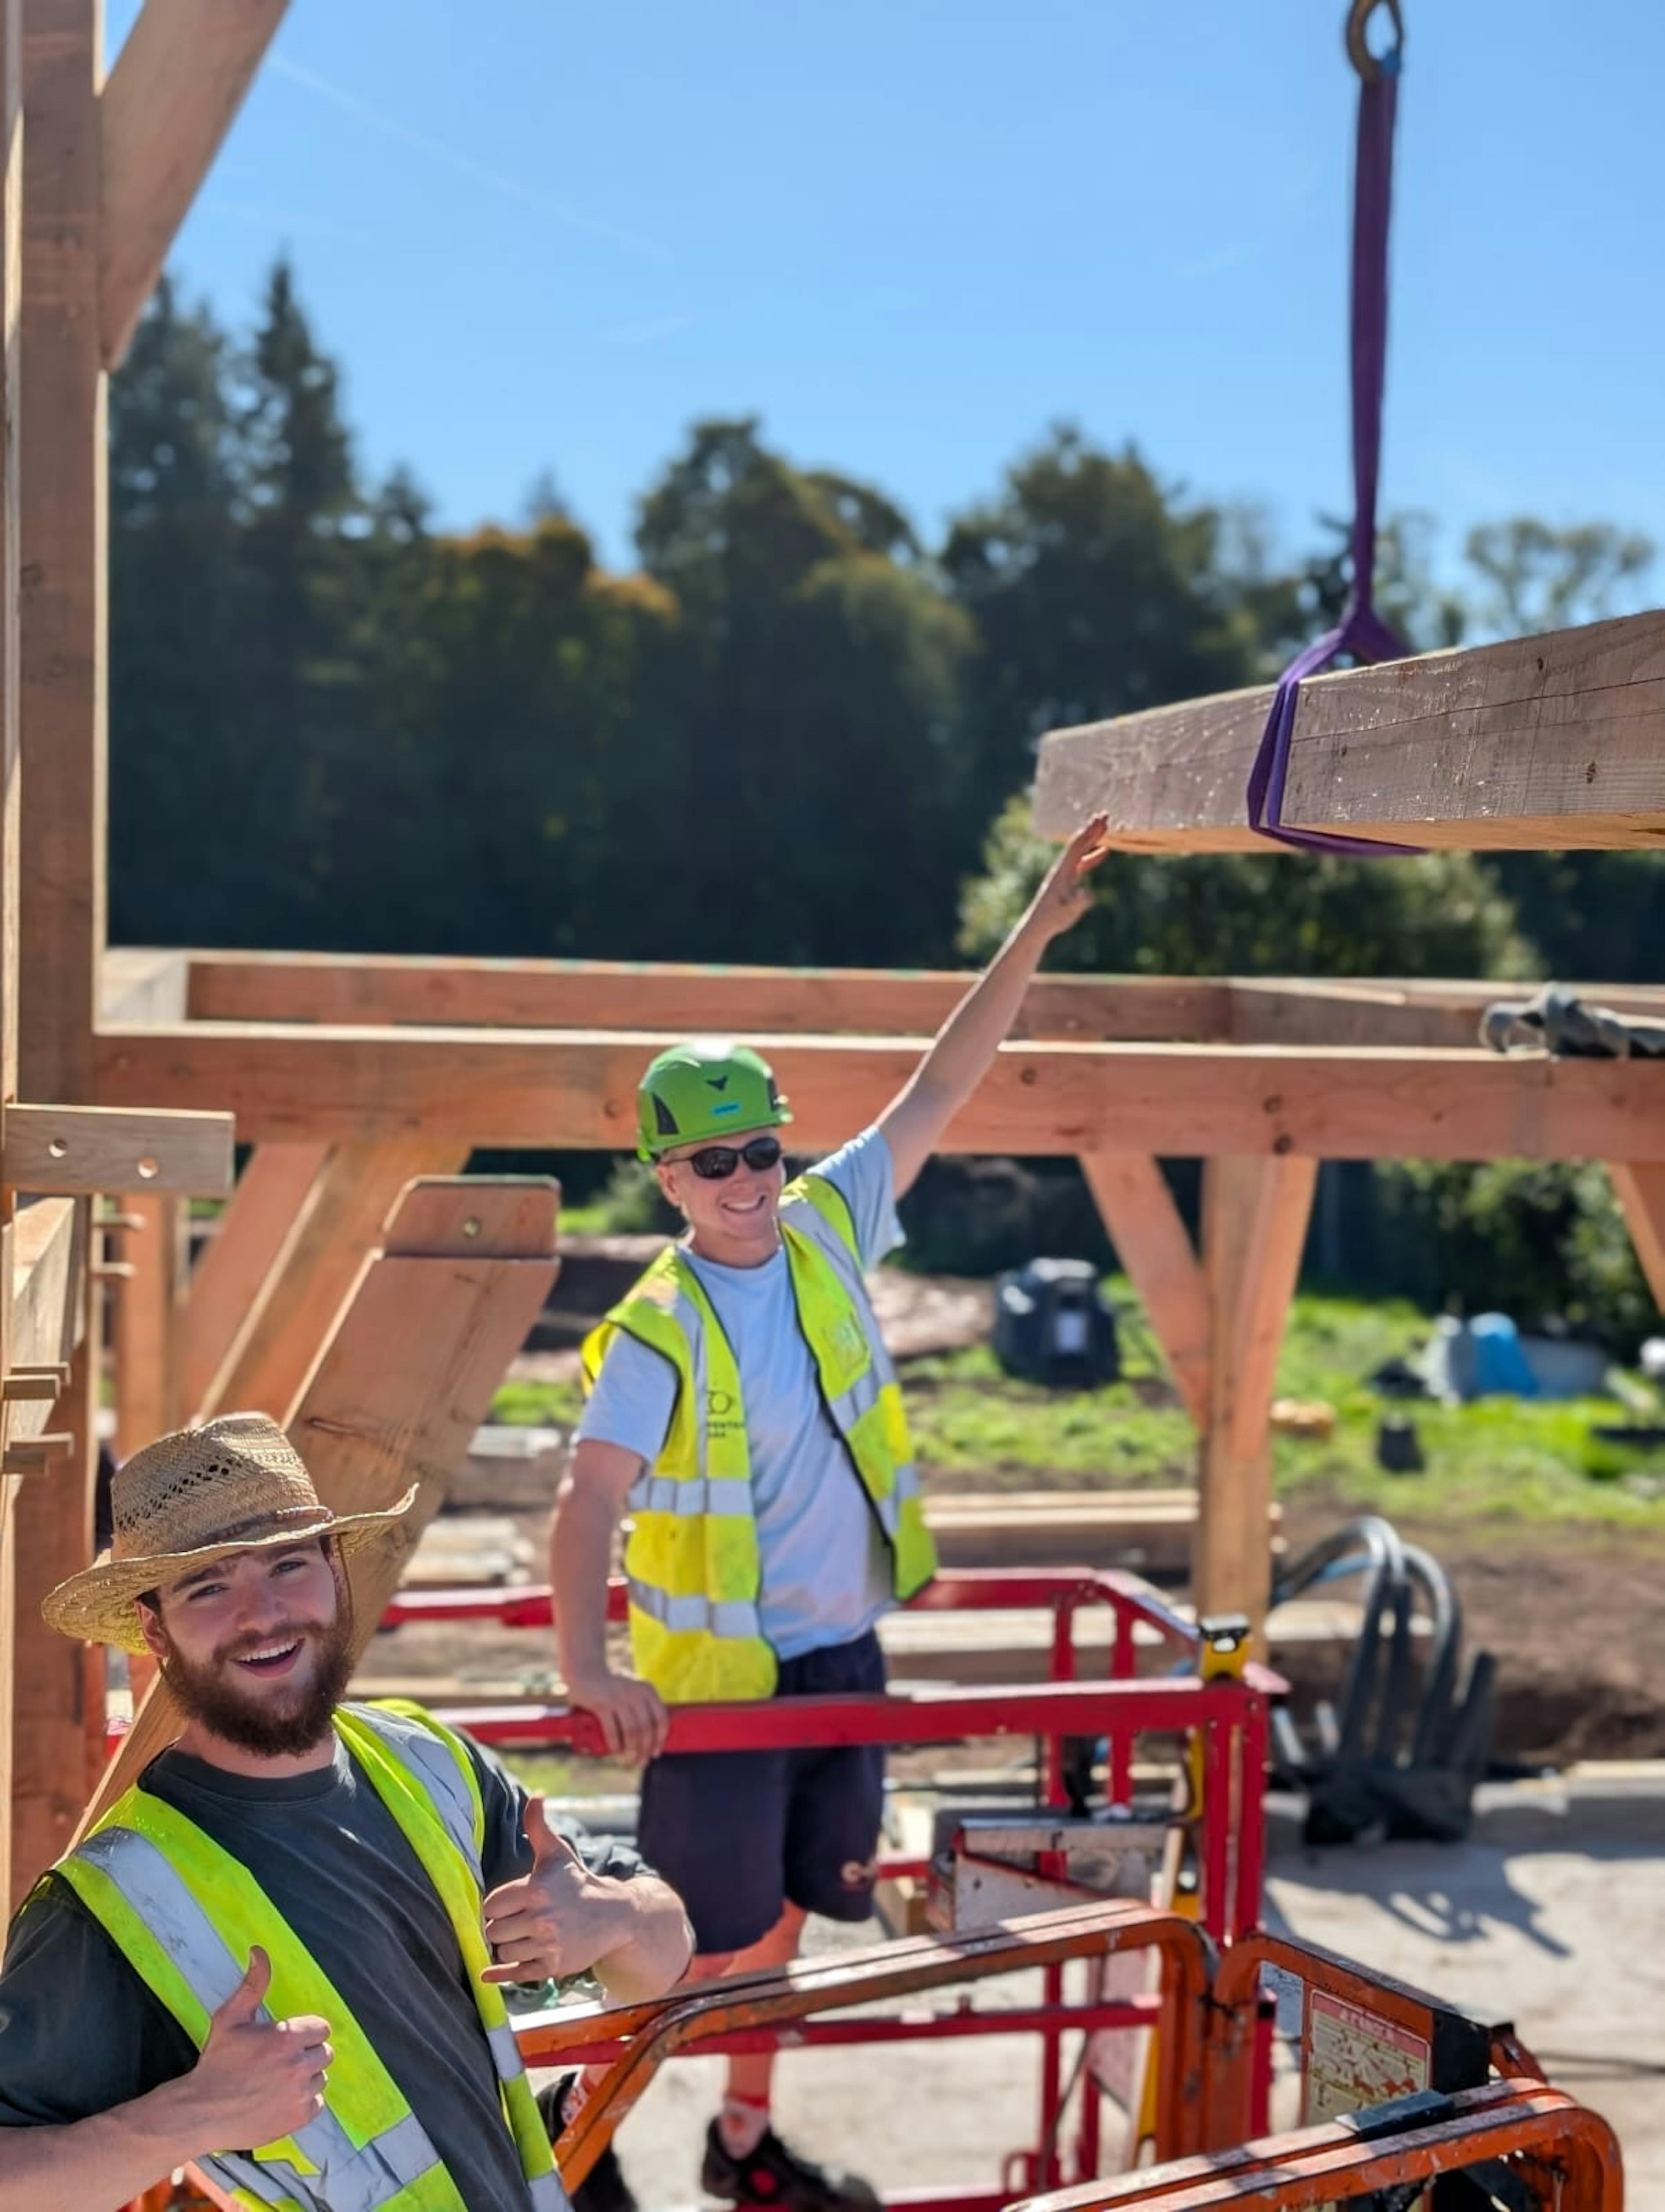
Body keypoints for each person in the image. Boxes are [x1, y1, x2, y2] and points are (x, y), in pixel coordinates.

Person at [552, 816, 1110, 2212]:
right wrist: (584, 1670)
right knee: (686, 1949)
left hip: (840, 1655)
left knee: (794, 1921)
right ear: (667, 1178)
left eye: (764, 1153)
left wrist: (1032, 929)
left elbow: (940, 1083)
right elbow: (584, 1502)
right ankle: (577, 2132)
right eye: (717, 1163)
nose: (749, 1183)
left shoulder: (827, 1228)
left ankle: (743, 2147)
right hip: (722, 1689)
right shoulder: (654, 1332)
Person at [0, 1412, 693, 2212]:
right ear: (155, 1628)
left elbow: (666, 1951)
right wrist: (185, 2118)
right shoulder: (112, 1902)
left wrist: (613, 1918)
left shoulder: (430, 1766)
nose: (261, 1615)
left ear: (337, 1569)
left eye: (288, 1565)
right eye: (210, 1586)